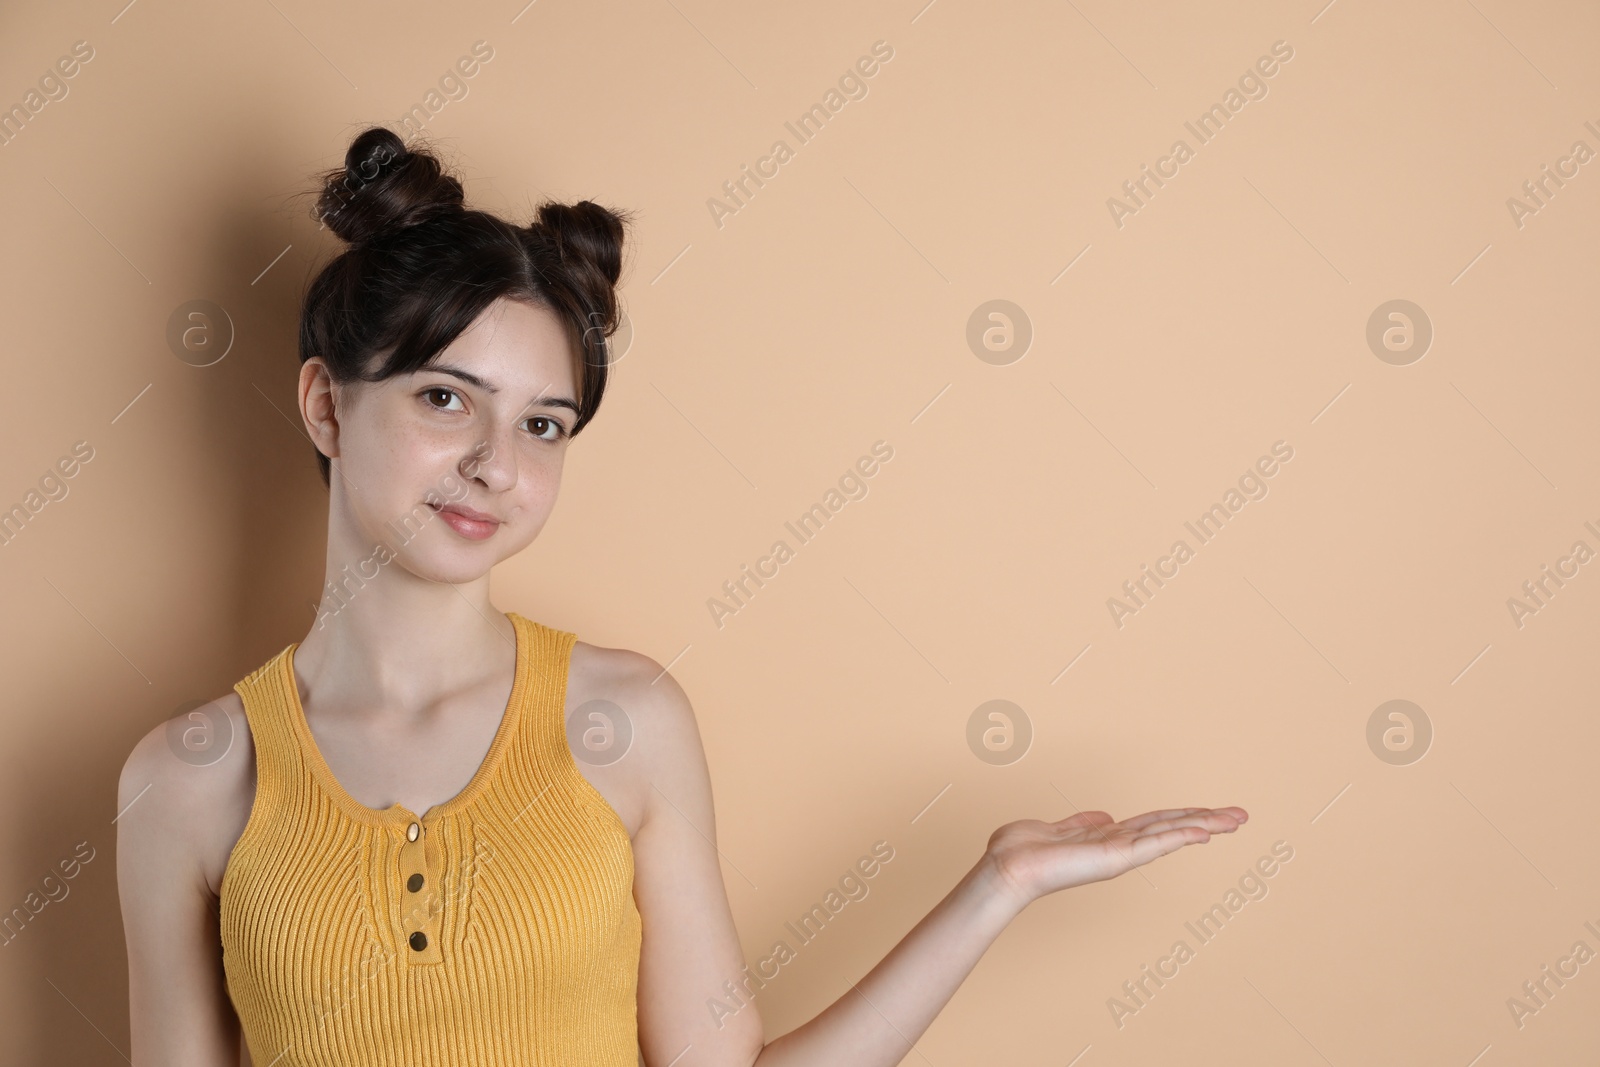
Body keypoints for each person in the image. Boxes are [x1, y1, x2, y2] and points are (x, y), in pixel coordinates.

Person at [116, 125, 1247, 1066]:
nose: (496, 463)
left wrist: (999, 883)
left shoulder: (626, 720)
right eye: (446, 399)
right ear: (325, 406)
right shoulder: (187, 779)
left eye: (542, 423)